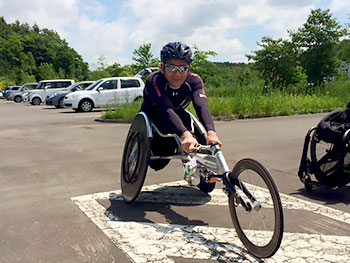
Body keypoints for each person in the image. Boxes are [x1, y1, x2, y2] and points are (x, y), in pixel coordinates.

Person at [141, 41, 222, 154]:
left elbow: (201, 106)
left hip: (178, 115)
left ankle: (202, 168)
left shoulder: (194, 81)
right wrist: (185, 135)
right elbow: (165, 109)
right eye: (171, 68)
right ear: (162, 68)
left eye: (183, 68)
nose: (177, 74)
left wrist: (211, 132)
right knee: (158, 162)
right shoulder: (154, 80)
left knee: (204, 142)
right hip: (153, 116)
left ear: (189, 69)